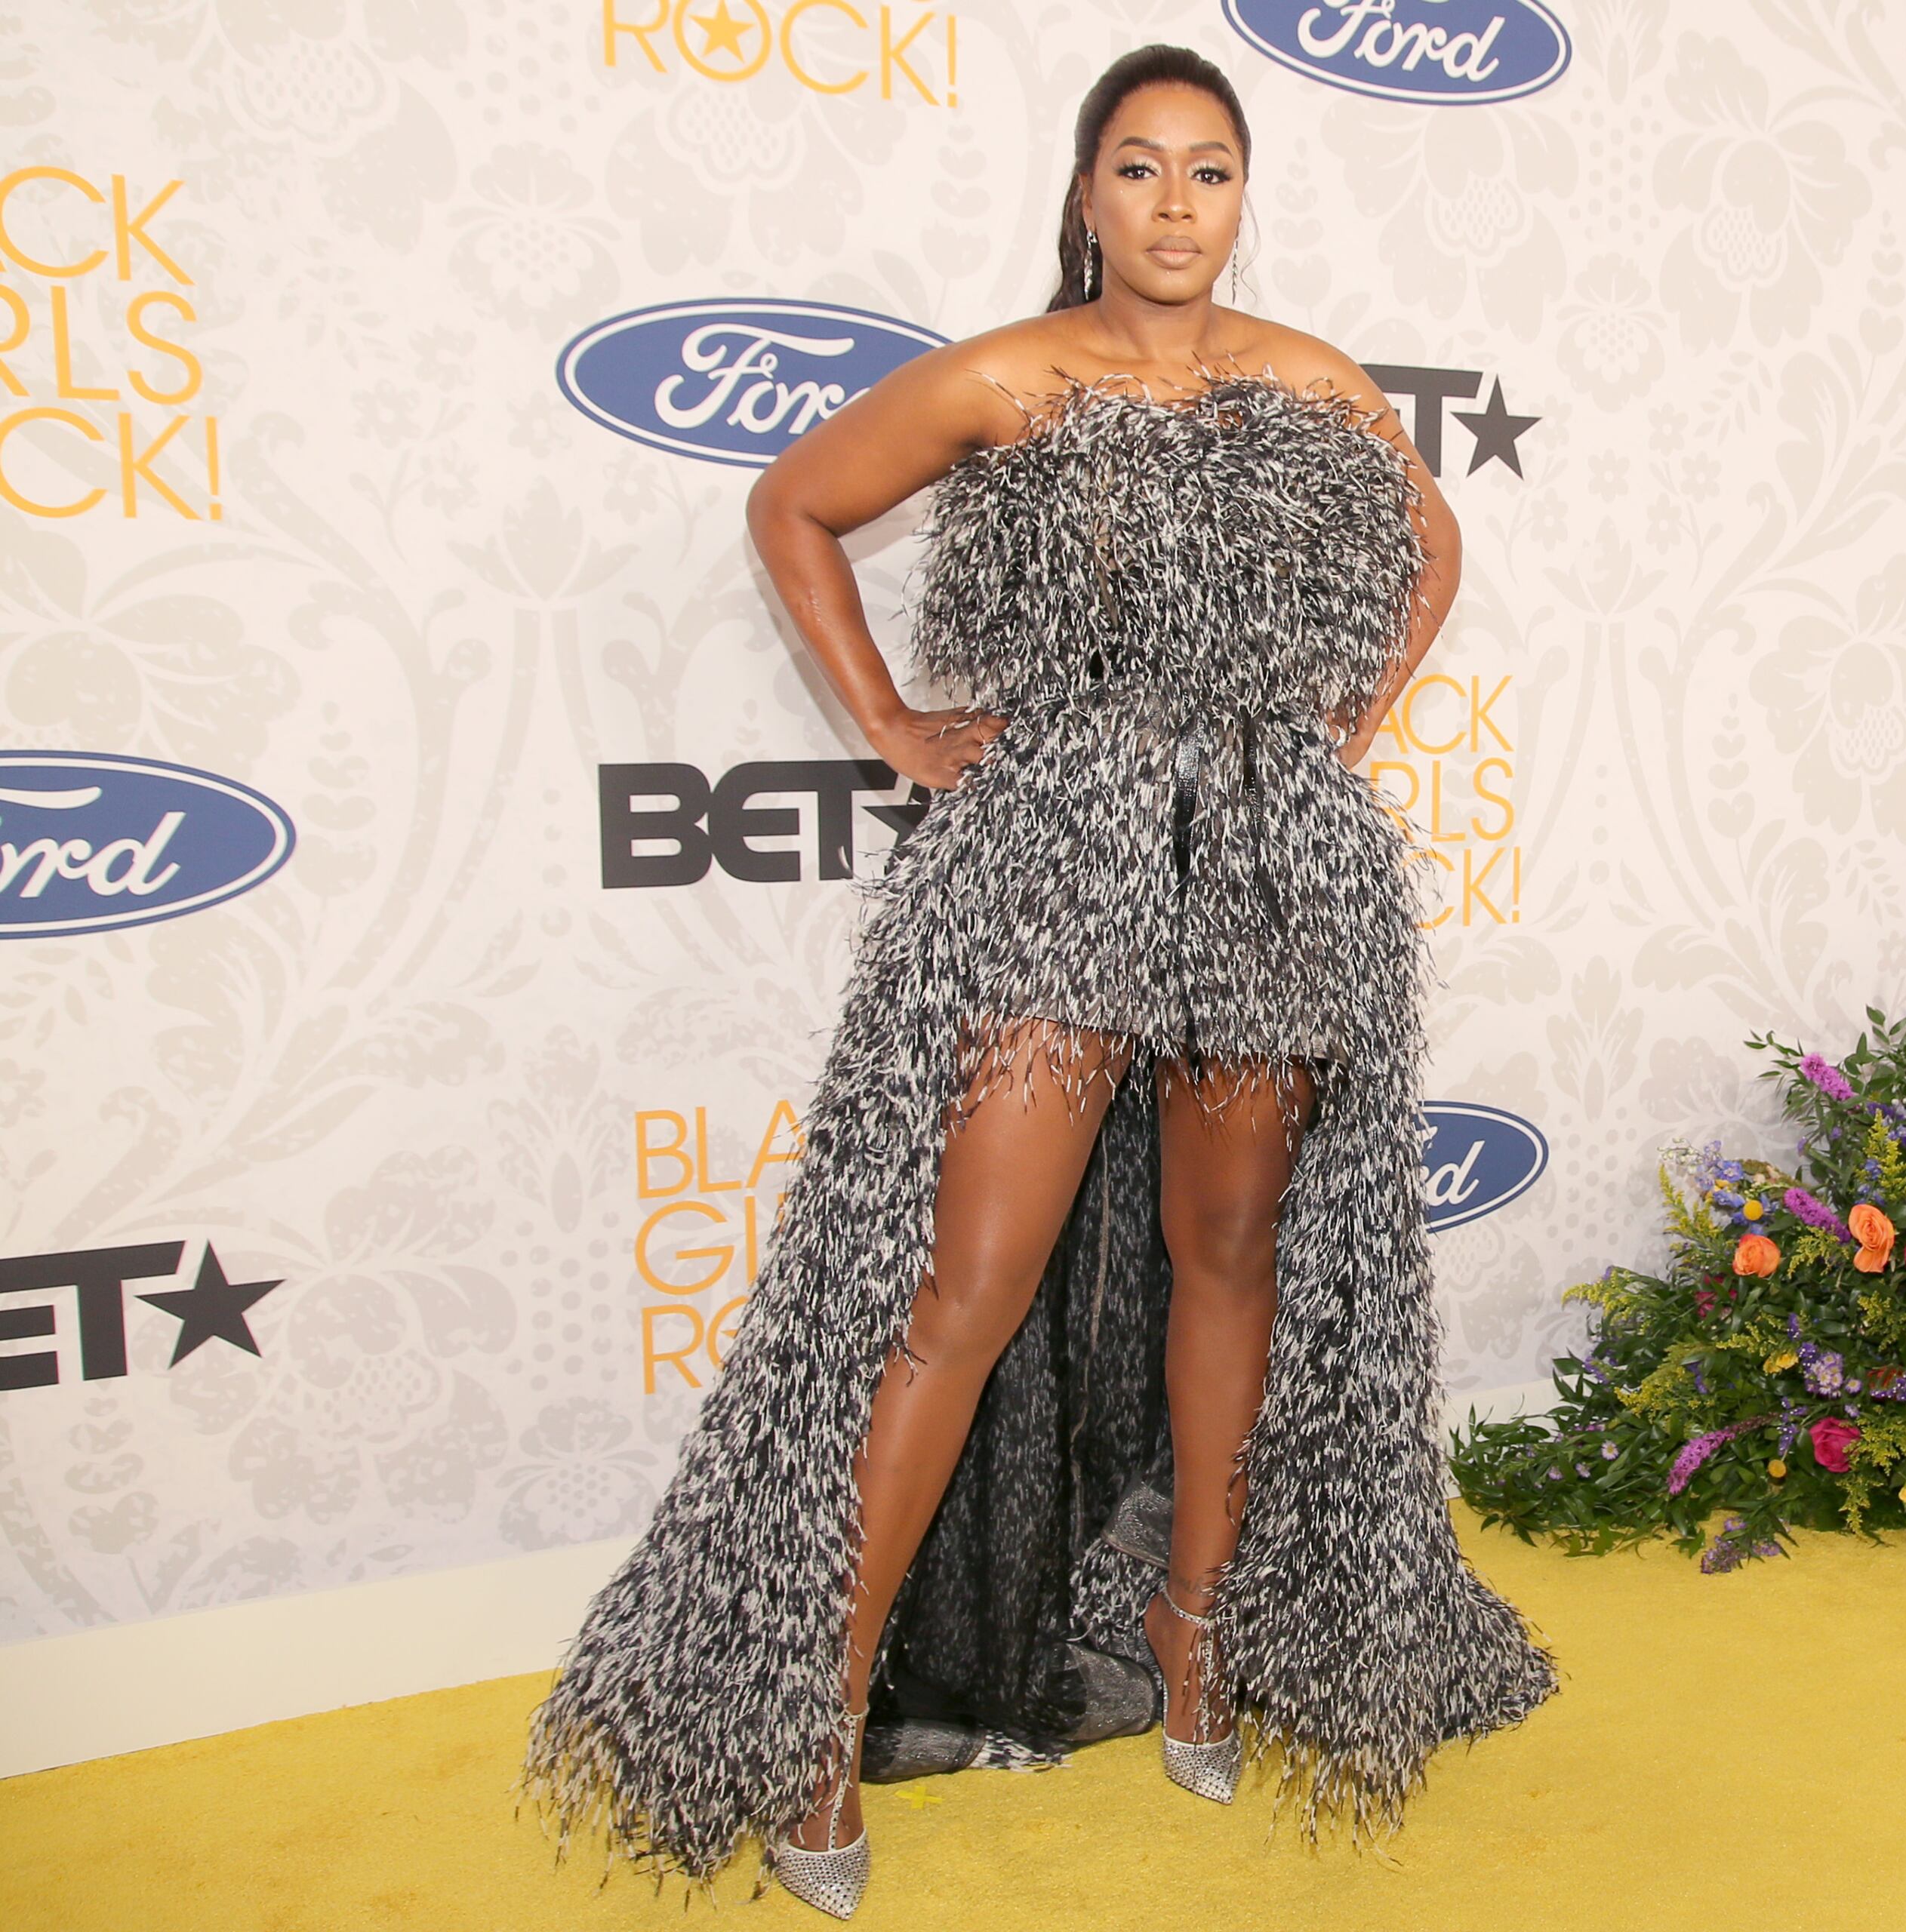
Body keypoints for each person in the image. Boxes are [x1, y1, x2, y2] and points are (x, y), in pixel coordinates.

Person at [520, 42, 1557, 1916]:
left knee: (1228, 1246)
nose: (1176, 205)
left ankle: (1189, 1631)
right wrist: (899, 725)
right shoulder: (1008, 375)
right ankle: (815, 1707)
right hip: (1058, 847)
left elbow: (1433, 541)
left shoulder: (1313, 385)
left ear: (1246, 198)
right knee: (967, 1279)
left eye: (1212, 172)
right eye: (1140, 169)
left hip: (1262, 865)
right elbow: (792, 508)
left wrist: (1334, 726)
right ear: (1085, 193)